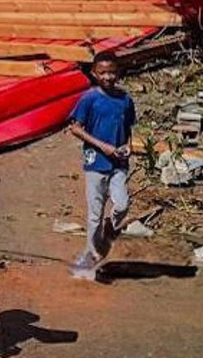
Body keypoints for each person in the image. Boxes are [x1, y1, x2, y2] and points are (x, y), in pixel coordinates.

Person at [67, 52, 136, 280]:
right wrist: (102, 146)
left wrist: (129, 145)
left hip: (119, 162)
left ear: (119, 72)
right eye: (103, 72)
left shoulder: (125, 100)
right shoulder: (89, 99)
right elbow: (76, 128)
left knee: (122, 203)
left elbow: (128, 128)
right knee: (94, 216)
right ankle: (90, 259)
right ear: (94, 74)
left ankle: (112, 226)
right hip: (96, 162)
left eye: (112, 72)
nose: (108, 77)